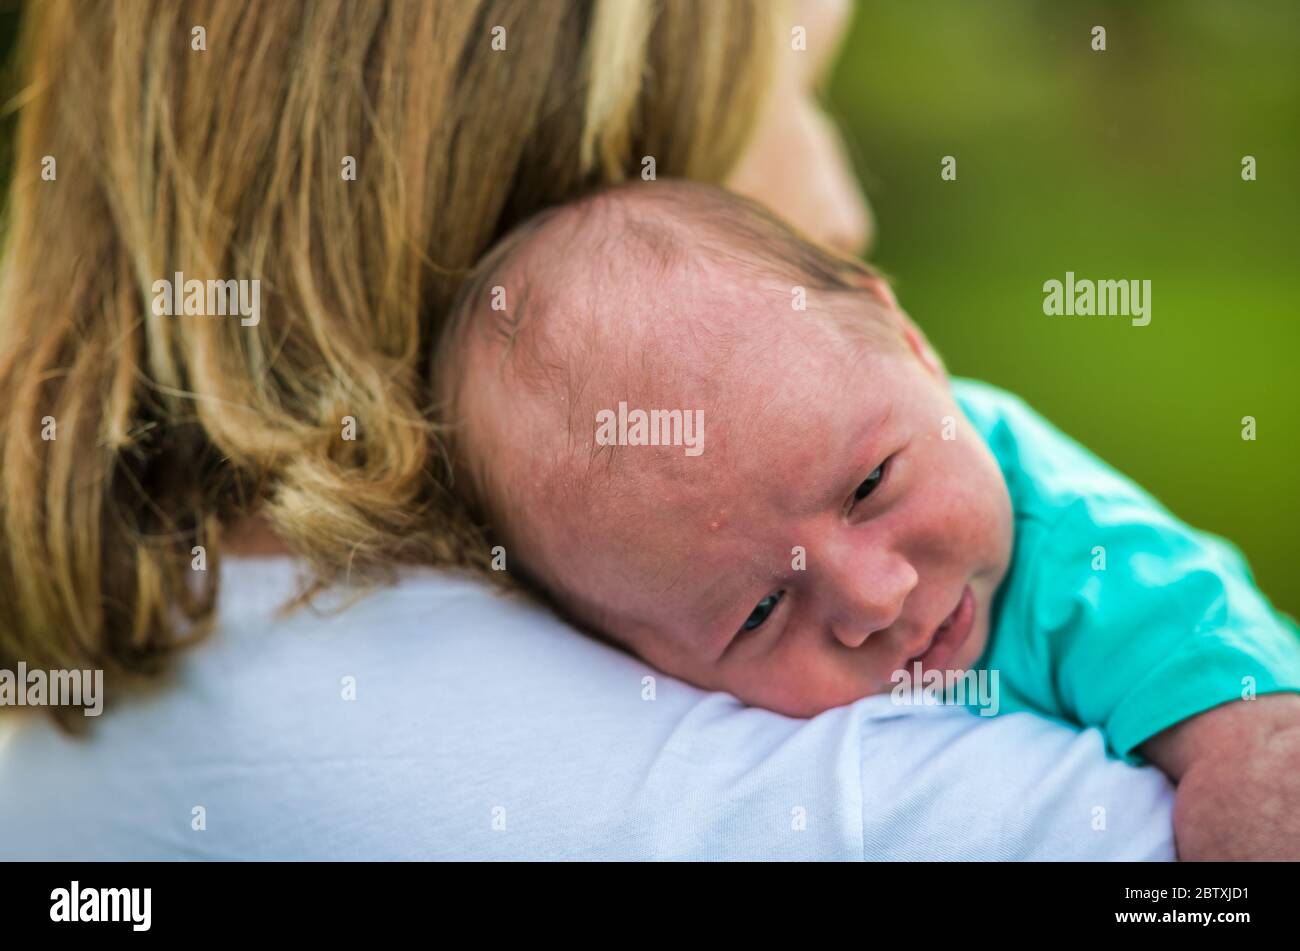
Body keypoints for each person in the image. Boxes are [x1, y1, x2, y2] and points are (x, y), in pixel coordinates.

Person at [0, 0, 1174, 859]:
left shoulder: (57, 754)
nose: (846, 202)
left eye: (871, 479)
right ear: (585, 152)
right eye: (794, 85)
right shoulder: (933, 813)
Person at [434, 179, 1300, 859]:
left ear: (912, 342)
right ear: (627, 657)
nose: (877, 598)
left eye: (871, 486)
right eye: (761, 612)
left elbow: (1266, 756)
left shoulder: (1100, 564)